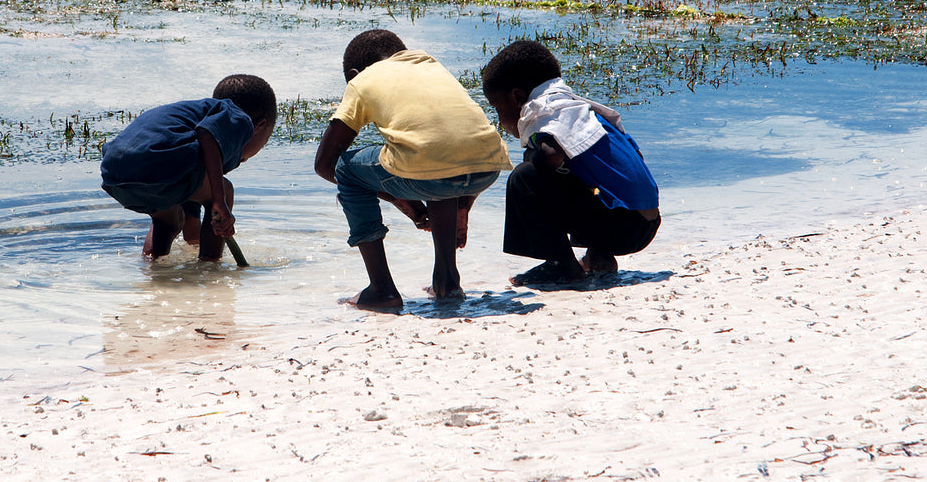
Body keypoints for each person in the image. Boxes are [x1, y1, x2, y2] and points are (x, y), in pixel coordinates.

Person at [314, 30, 511, 309]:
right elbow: (452, 138)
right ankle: (447, 282)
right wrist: (463, 203)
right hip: (488, 169)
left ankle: (381, 289)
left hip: (433, 171)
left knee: (346, 169)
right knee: (430, 158)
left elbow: (325, 164)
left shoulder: (363, 80)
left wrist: (396, 197)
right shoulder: (428, 64)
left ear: (354, 73)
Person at [480, 39, 660, 285]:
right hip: (646, 223)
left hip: (624, 228)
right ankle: (600, 255)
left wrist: (532, 156)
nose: (499, 118)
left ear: (517, 96)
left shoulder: (544, 111)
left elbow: (550, 157)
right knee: (572, 172)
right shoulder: (578, 109)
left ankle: (562, 265)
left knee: (524, 177)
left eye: (496, 108)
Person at [101, 74, 276, 261]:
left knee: (170, 221)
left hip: (116, 173)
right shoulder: (238, 117)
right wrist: (219, 200)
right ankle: (211, 272)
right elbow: (208, 133)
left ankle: (153, 267)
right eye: (265, 141)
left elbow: (192, 236)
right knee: (225, 189)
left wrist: (201, 239)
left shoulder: (192, 135)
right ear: (259, 126)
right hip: (159, 160)